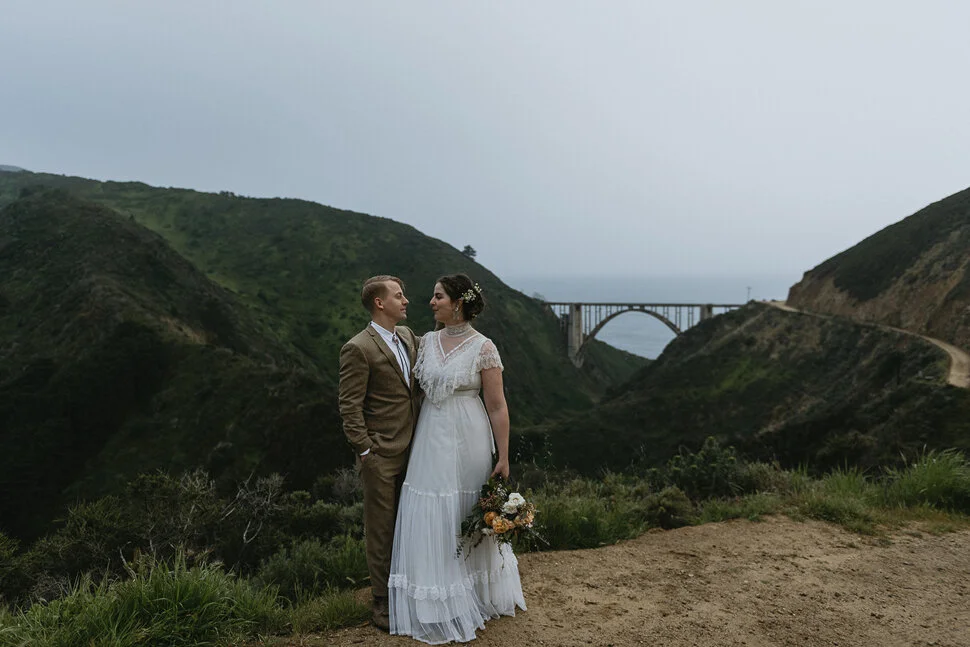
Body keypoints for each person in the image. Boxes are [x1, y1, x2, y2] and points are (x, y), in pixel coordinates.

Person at [389, 273, 526, 644]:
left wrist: (504, 455)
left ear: (458, 303)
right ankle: (436, 598)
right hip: (430, 435)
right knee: (431, 503)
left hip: (470, 437)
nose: (431, 303)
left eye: (438, 297)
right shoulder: (427, 341)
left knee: (464, 508)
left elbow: (497, 406)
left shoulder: (484, 347)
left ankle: (474, 593)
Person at [338, 275, 422, 631]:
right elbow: (349, 406)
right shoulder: (358, 348)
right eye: (399, 295)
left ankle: (407, 591)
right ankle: (381, 602)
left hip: (416, 448)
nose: (406, 301)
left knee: (410, 524)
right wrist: (366, 450)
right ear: (379, 303)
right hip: (381, 455)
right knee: (381, 530)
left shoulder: (407, 336)